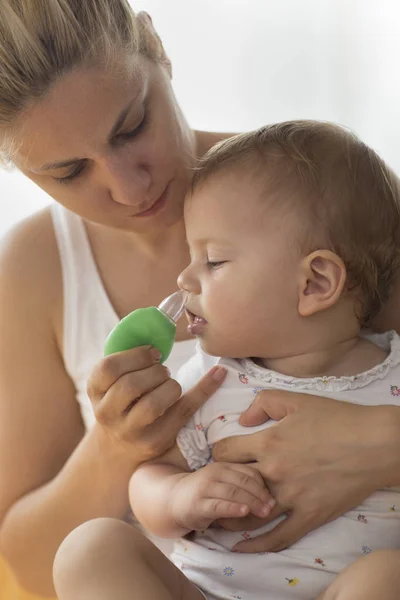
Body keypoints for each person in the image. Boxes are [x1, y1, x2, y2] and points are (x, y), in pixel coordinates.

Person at [0, 1, 399, 596]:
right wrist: (116, 447)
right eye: (68, 172)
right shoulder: (33, 271)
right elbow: (33, 567)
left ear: (155, 48)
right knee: (92, 550)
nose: (128, 187)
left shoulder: (326, 197)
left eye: (132, 125)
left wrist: (376, 445)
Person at [53, 121, 400, 600]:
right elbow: (151, 478)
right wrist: (179, 498)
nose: (185, 279)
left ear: (315, 283)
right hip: (208, 592)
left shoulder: (394, 376)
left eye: (213, 261)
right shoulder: (213, 378)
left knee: (385, 577)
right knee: (89, 549)